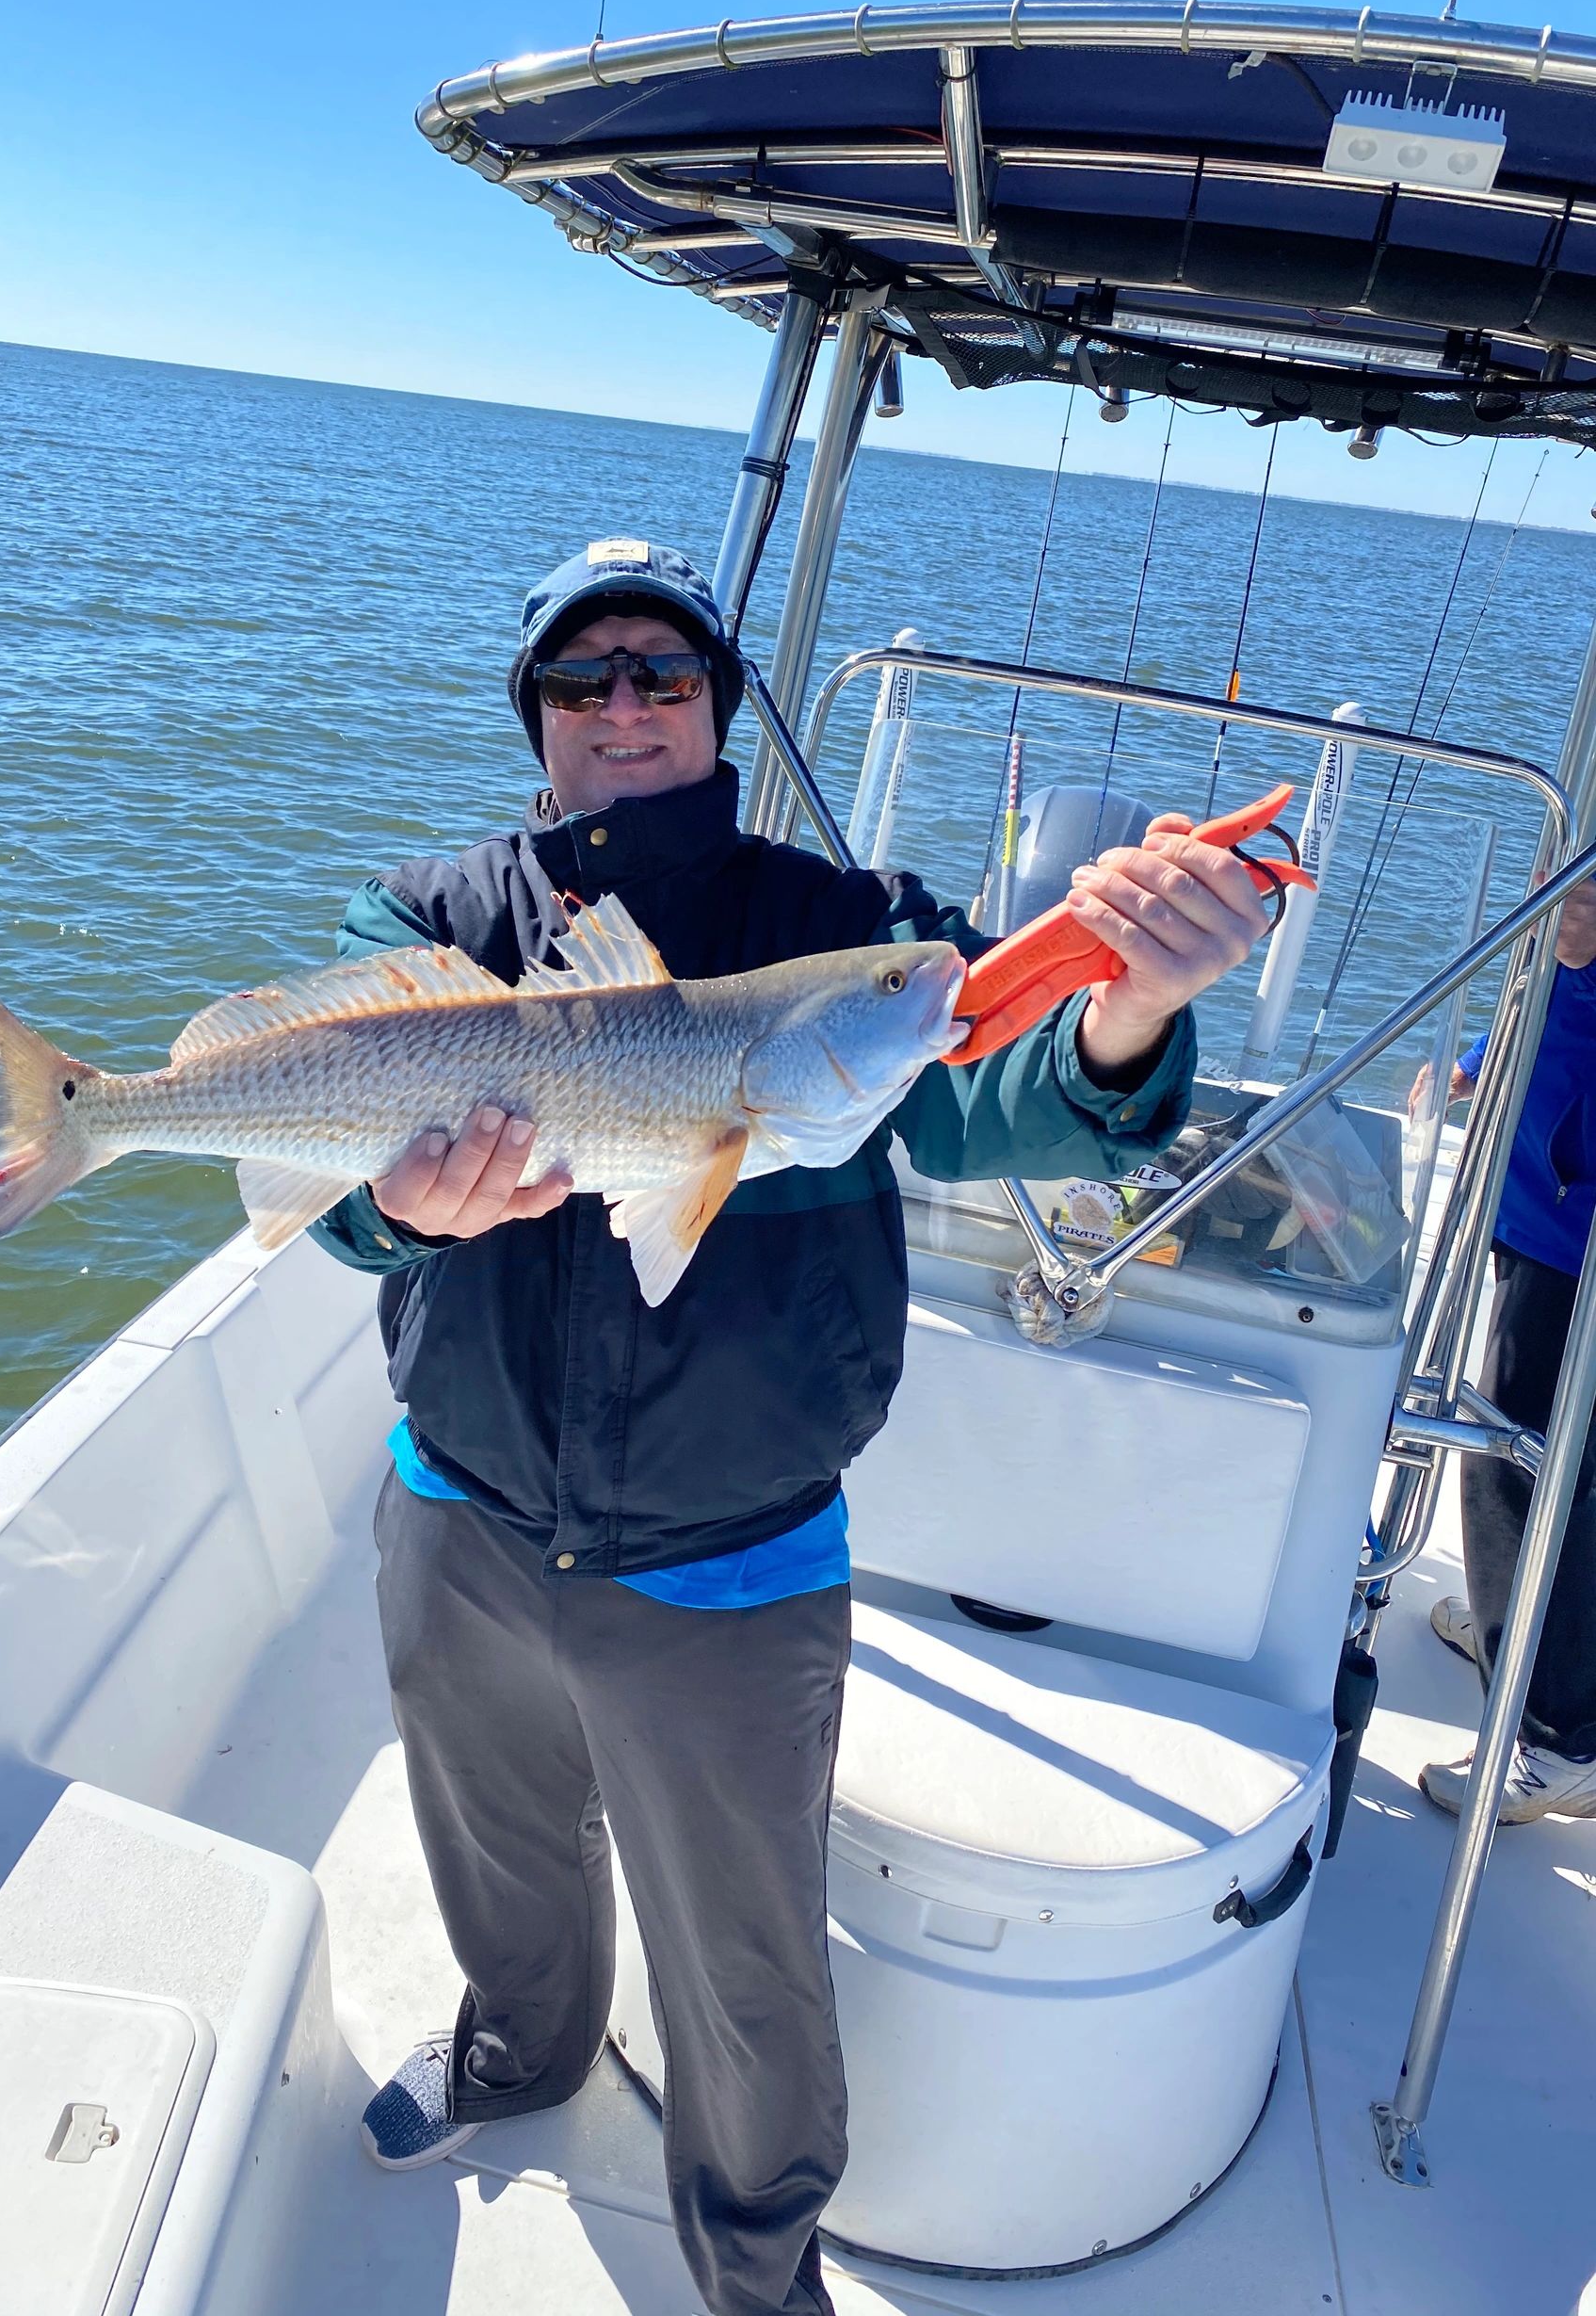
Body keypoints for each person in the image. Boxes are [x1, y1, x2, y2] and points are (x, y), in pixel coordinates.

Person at [311, 540, 1266, 2316]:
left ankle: (755, 2266)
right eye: (582, 678)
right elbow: (344, 1177)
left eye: (662, 673)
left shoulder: (859, 930)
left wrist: (1131, 1007)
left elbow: (993, 1105)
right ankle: (521, 2051)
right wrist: (398, 1210)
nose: (624, 705)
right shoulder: (430, 917)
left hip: (731, 1553)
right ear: (538, 721)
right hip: (462, 1508)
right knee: (497, 1846)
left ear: (717, 706)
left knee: (743, 1965)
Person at [1411, 875, 1596, 1823]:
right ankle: (1506, 1634)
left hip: (1575, 1240)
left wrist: (1584, 961)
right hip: (1534, 1210)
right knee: (1524, 1449)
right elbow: (1554, 995)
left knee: (1516, 1461)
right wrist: (1480, 1059)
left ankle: (1559, 1731)